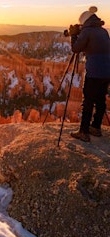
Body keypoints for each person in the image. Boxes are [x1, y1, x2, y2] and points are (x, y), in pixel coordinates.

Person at [69, 6, 110, 142]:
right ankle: (96, 127)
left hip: (94, 72)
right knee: (100, 100)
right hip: (107, 72)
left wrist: (74, 35)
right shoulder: (104, 31)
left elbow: (76, 49)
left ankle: (83, 131)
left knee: (88, 101)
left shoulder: (87, 31)